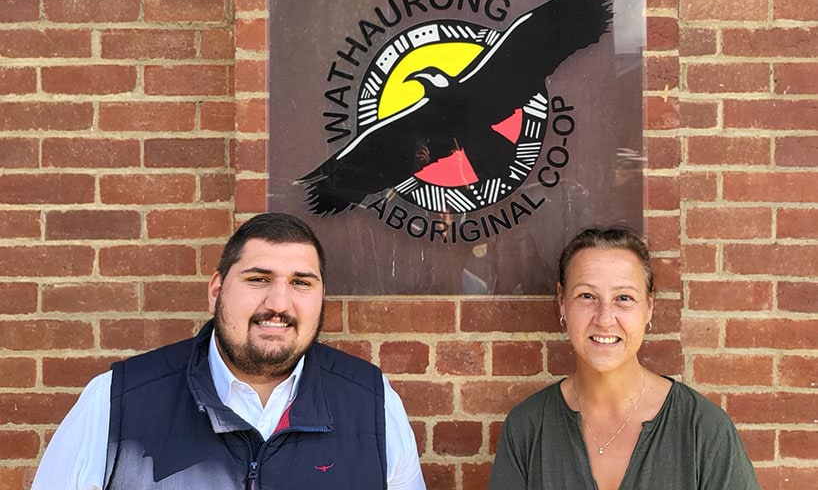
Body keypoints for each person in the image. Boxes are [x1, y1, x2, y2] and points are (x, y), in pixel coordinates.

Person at [33, 212, 426, 489]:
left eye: (301, 283)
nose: (279, 303)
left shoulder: (373, 405)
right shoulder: (116, 402)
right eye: (258, 279)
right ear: (217, 290)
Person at [489, 227, 759, 490]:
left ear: (649, 307)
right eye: (587, 296)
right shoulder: (528, 427)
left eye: (623, 298)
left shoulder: (702, 429)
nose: (605, 318)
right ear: (562, 303)